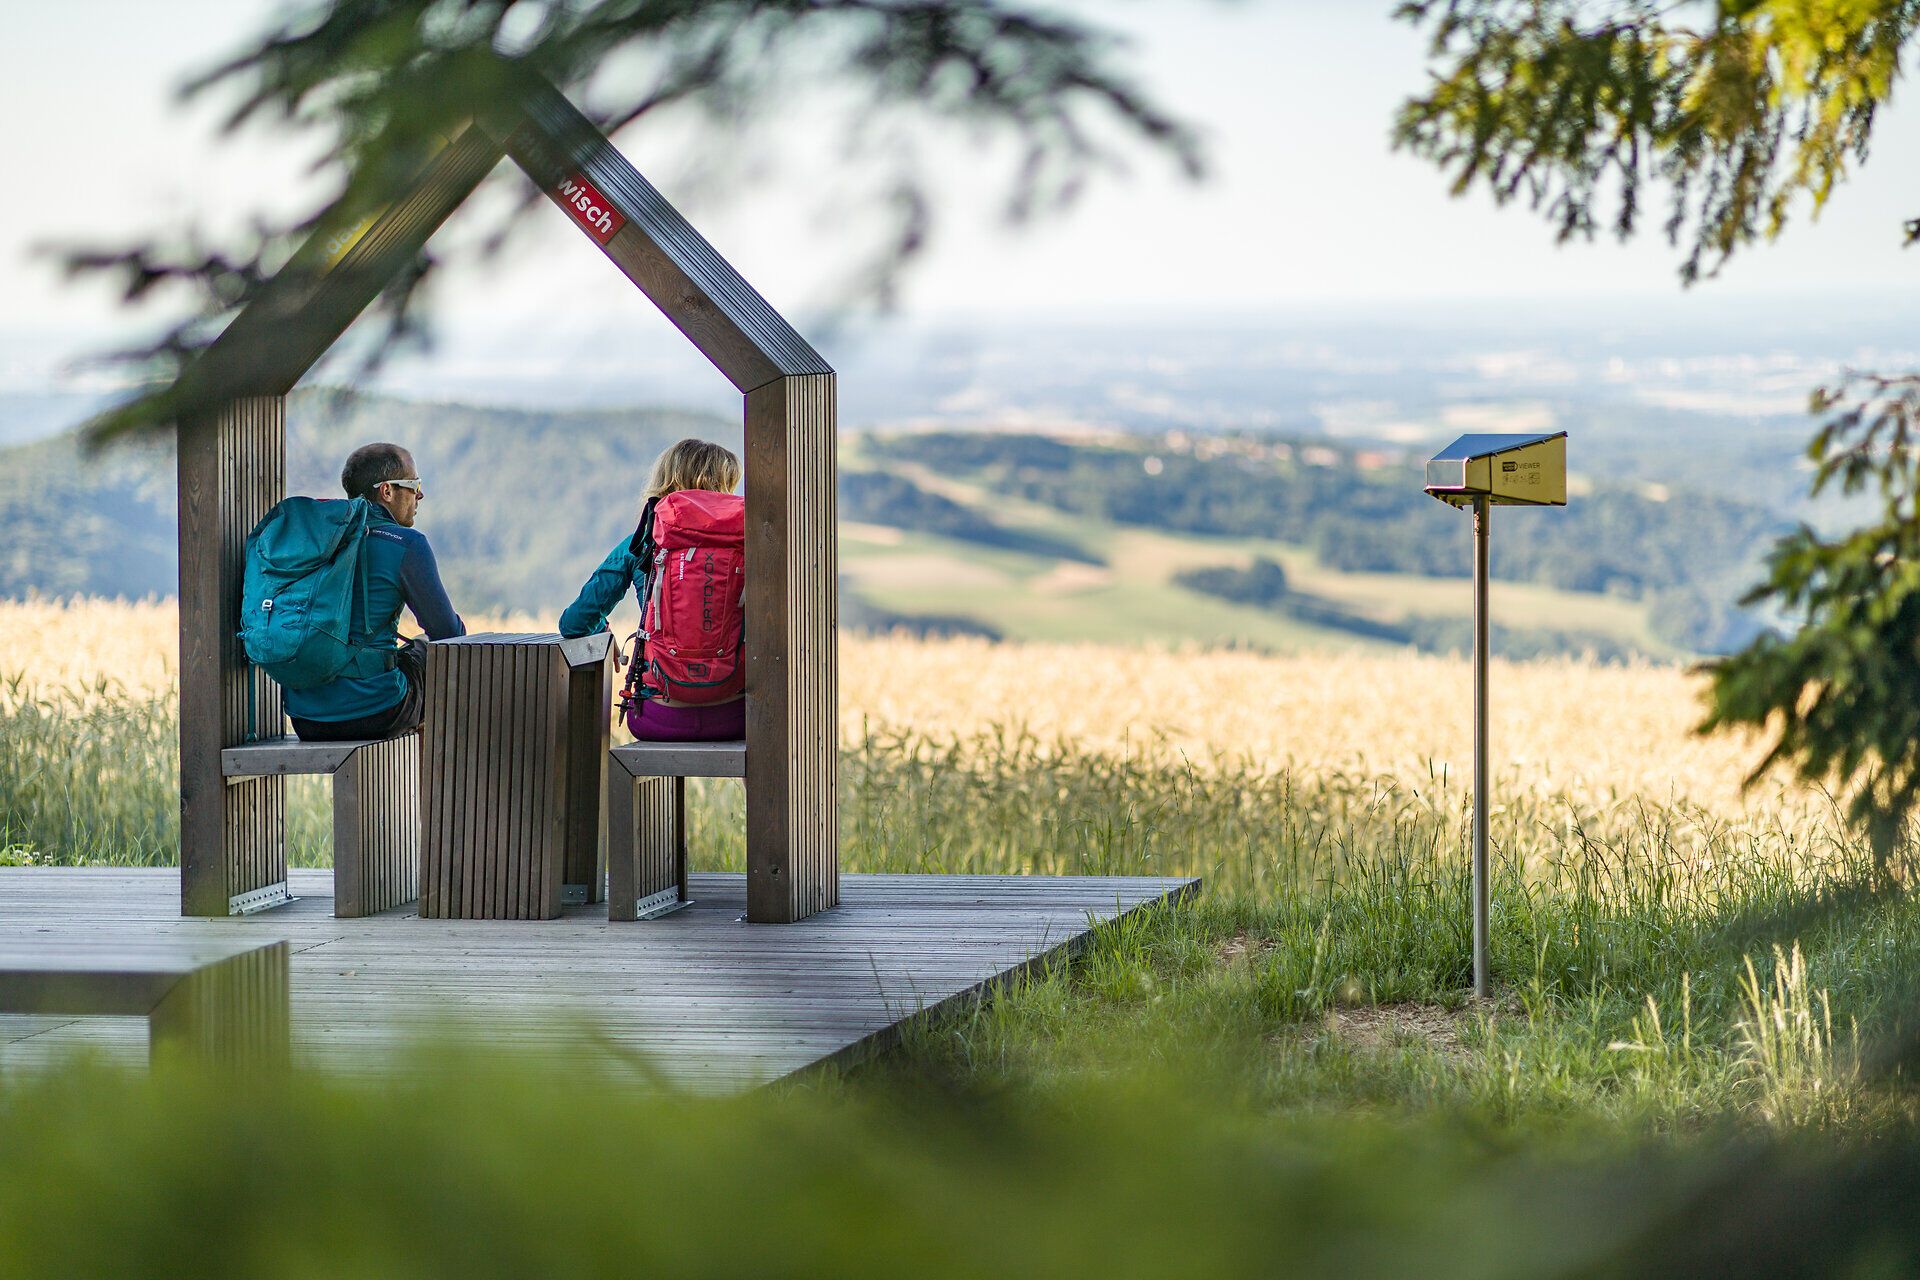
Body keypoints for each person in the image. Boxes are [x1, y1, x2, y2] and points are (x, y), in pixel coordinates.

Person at [559, 439, 746, 742]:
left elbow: (573, 623)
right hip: (737, 714)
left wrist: (603, 630)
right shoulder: (749, 545)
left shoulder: (640, 545)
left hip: (660, 716)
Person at [285, 442, 466, 742]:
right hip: (376, 710)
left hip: (306, 718)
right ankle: (426, 789)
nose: (419, 495)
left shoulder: (315, 540)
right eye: (414, 485)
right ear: (387, 491)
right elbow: (449, 634)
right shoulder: (406, 544)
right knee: (429, 655)